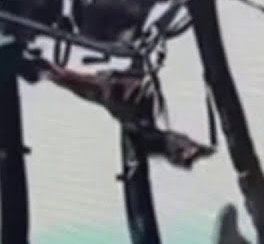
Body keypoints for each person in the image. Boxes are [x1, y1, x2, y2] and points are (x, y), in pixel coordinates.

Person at [20, 54, 215, 169]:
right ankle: (41, 69)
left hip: (123, 96)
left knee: (79, 84)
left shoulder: (147, 125)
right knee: (78, 83)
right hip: (125, 96)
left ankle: (40, 69)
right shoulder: (149, 123)